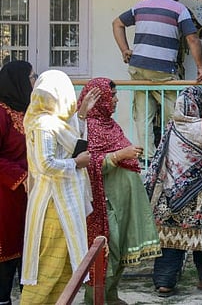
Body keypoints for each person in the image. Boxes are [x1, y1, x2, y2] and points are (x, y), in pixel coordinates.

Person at [80, 78, 161, 304]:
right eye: (111, 96)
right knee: (108, 252)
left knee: (121, 251)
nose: (115, 100)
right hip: (105, 203)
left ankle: (111, 295)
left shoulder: (110, 125)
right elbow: (88, 163)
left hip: (124, 201)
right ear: (99, 99)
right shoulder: (88, 127)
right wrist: (119, 156)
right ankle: (94, 299)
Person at [20, 71, 95, 304]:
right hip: (53, 205)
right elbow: (45, 164)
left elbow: (74, 144)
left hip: (65, 201)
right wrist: (76, 163)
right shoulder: (44, 124)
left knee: (65, 266)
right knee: (47, 269)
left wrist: (81, 115)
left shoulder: (56, 122)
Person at [112, 0, 202, 151]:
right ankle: (179, 153)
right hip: (163, 71)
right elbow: (192, 39)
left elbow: (117, 23)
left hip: (138, 67)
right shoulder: (179, 9)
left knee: (143, 114)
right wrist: (201, 69)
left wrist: (125, 50)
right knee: (178, 113)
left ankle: (147, 157)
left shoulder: (140, 6)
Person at [144, 86, 202, 296]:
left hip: (169, 194)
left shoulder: (171, 127)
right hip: (198, 196)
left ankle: (164, 283)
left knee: (170, 240)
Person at [0, 61, 33, 305]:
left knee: (28, 248)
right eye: (32, 77)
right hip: (6, 194)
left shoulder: (30, 111)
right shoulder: (1, 113)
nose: (34, 82)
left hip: (31, 194)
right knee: (6, 249)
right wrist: (20, 176)